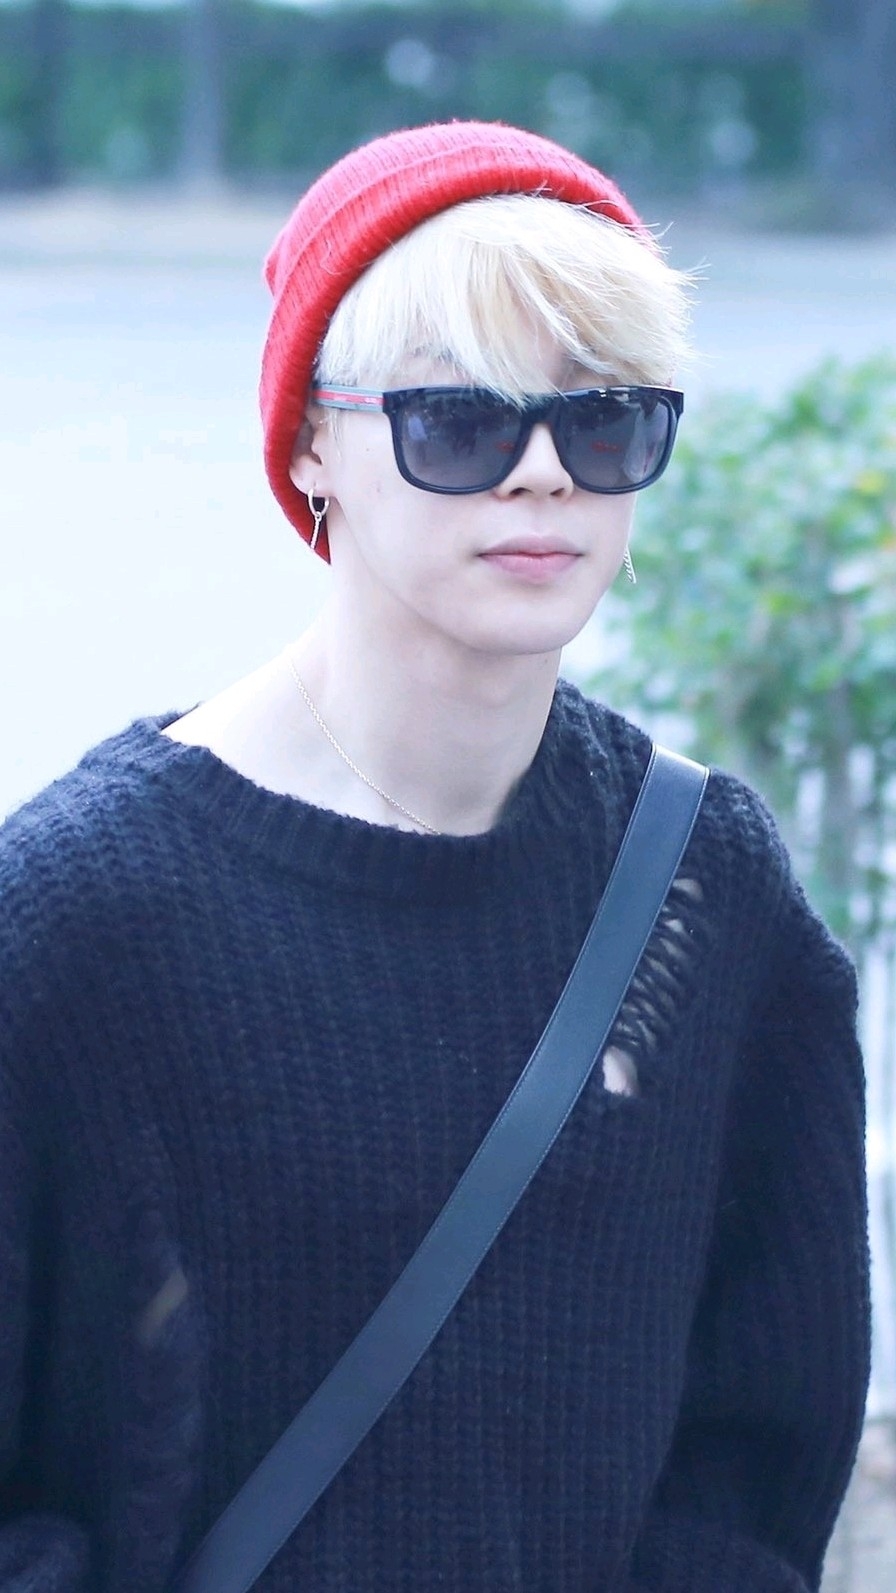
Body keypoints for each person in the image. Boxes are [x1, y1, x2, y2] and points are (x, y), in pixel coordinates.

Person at [0, 121, 869, 1593]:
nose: (542, 477)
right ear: (310, 444)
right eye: (457, 422)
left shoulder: (706, 887)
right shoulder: (76, 914)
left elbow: (763, 1435)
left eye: (606, 422)